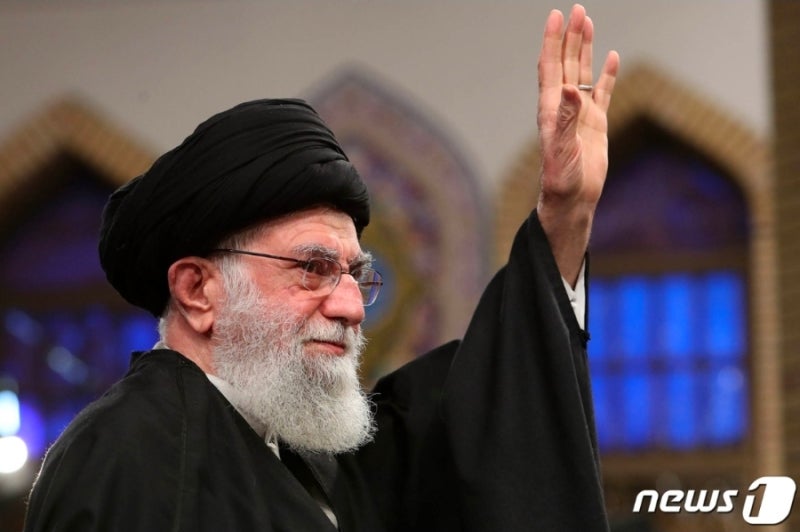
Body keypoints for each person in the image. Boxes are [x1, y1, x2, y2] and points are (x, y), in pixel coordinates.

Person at [24, 4, 619, 531]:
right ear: (198, 289)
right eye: (312, 268)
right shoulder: (124, 457)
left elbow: (469, 421)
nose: (352, 306)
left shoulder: (302, 448)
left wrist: (566, 213)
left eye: (355, 273)